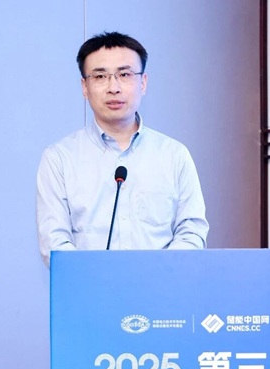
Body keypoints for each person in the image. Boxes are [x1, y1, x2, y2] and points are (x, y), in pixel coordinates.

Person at [36, 31, 209, 267]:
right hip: (90, 288)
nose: (113, 87)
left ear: (143, 83)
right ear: (84, 87)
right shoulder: (59, 158)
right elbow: (54, 243)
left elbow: (192, 232)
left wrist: (158, 275)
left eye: (125, 74)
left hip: (161, 287)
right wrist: (100, 279)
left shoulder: (174, 155)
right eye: (100, 76)